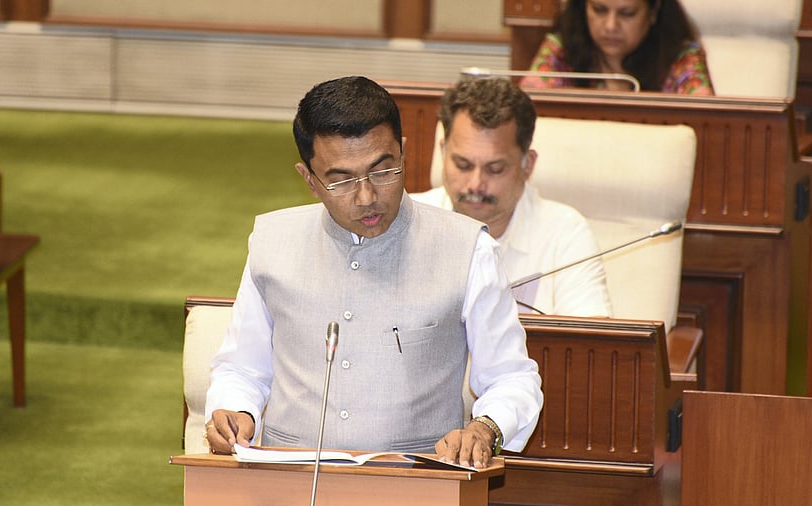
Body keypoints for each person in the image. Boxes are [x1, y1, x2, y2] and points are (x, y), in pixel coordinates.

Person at [204, 76, 543, 469]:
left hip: (417, 479)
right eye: (341, 179)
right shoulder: (270, 241)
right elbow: (242, 367)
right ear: (309, 180)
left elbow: (512, 377)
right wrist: (236, 411)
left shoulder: (469, 249)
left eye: (383, 171)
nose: (366, 197)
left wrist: (484, 428)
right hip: (289, 475)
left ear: (403, 153)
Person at [413, 77, 612, 317]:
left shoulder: (564, 233)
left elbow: (588, 343)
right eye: (463, 165)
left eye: (495, 169)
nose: (475, 184)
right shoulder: (408, 221)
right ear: (443, 153)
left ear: (527, 165)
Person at [521, 0, 714, 95]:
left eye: (627, 13)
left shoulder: (681, 57)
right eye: (600, 10)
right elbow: (528, 110)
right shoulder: (562, 49)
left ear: (653, 12)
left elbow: (705, 123)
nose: (610, 26)